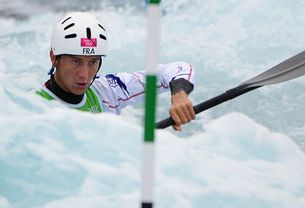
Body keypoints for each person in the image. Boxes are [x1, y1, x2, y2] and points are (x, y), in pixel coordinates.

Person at [37, 12, 195, 131]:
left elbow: (176, 69)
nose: (85, 75)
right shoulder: (34, 107)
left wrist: (179, 93)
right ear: (54, 58)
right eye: (76, 61)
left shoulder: (106, 90)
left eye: (93, 62)